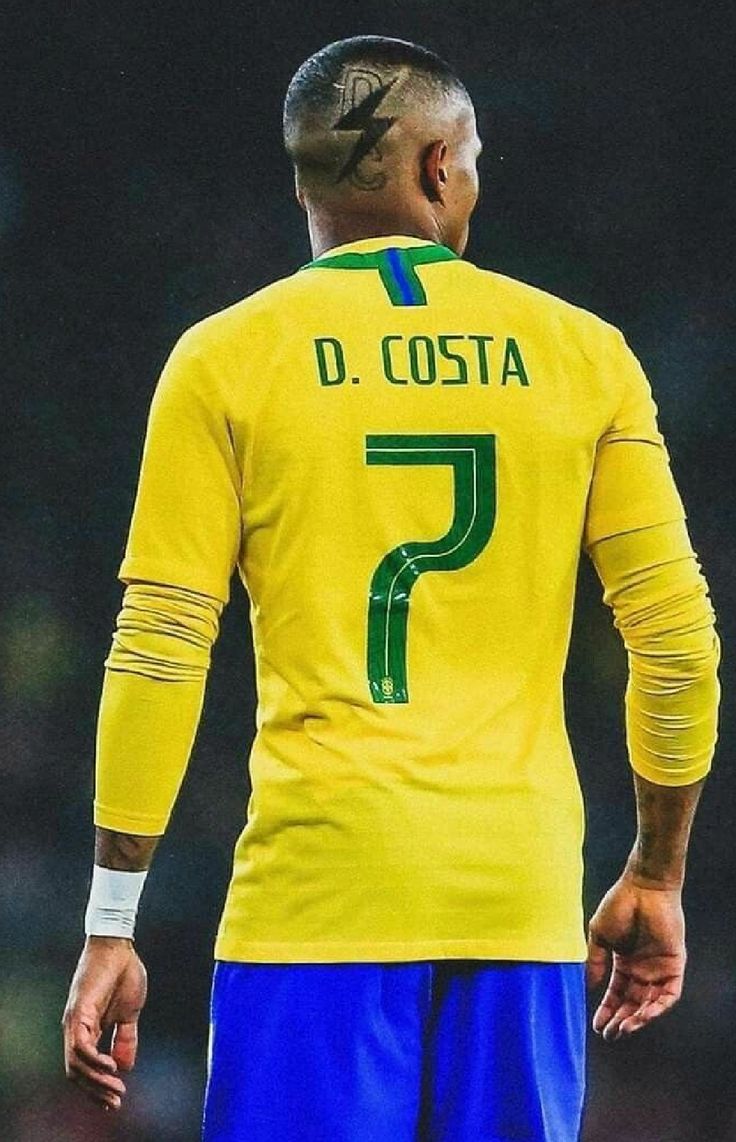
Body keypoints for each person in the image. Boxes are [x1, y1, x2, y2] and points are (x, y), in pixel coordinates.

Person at [61, 35, 720, 1142]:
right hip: (515, 901)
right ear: (438, 168)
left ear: (304, 183)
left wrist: (111, 921)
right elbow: (676, 640)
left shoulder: (224, 359)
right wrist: (656, 872)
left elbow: (161, 641)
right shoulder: (584, 353)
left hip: (313, 903)